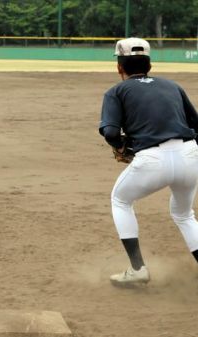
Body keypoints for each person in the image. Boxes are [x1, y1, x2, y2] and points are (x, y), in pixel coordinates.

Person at [99, 37, 198, 286]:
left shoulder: (116, 91)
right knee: (184, 215)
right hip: (190, 155)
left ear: (119, 67)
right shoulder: (173, 86)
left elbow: (110, 132)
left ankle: (137, 268)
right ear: (150, 65)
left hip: (152, 160)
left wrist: (121, 146)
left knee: (120, 200)